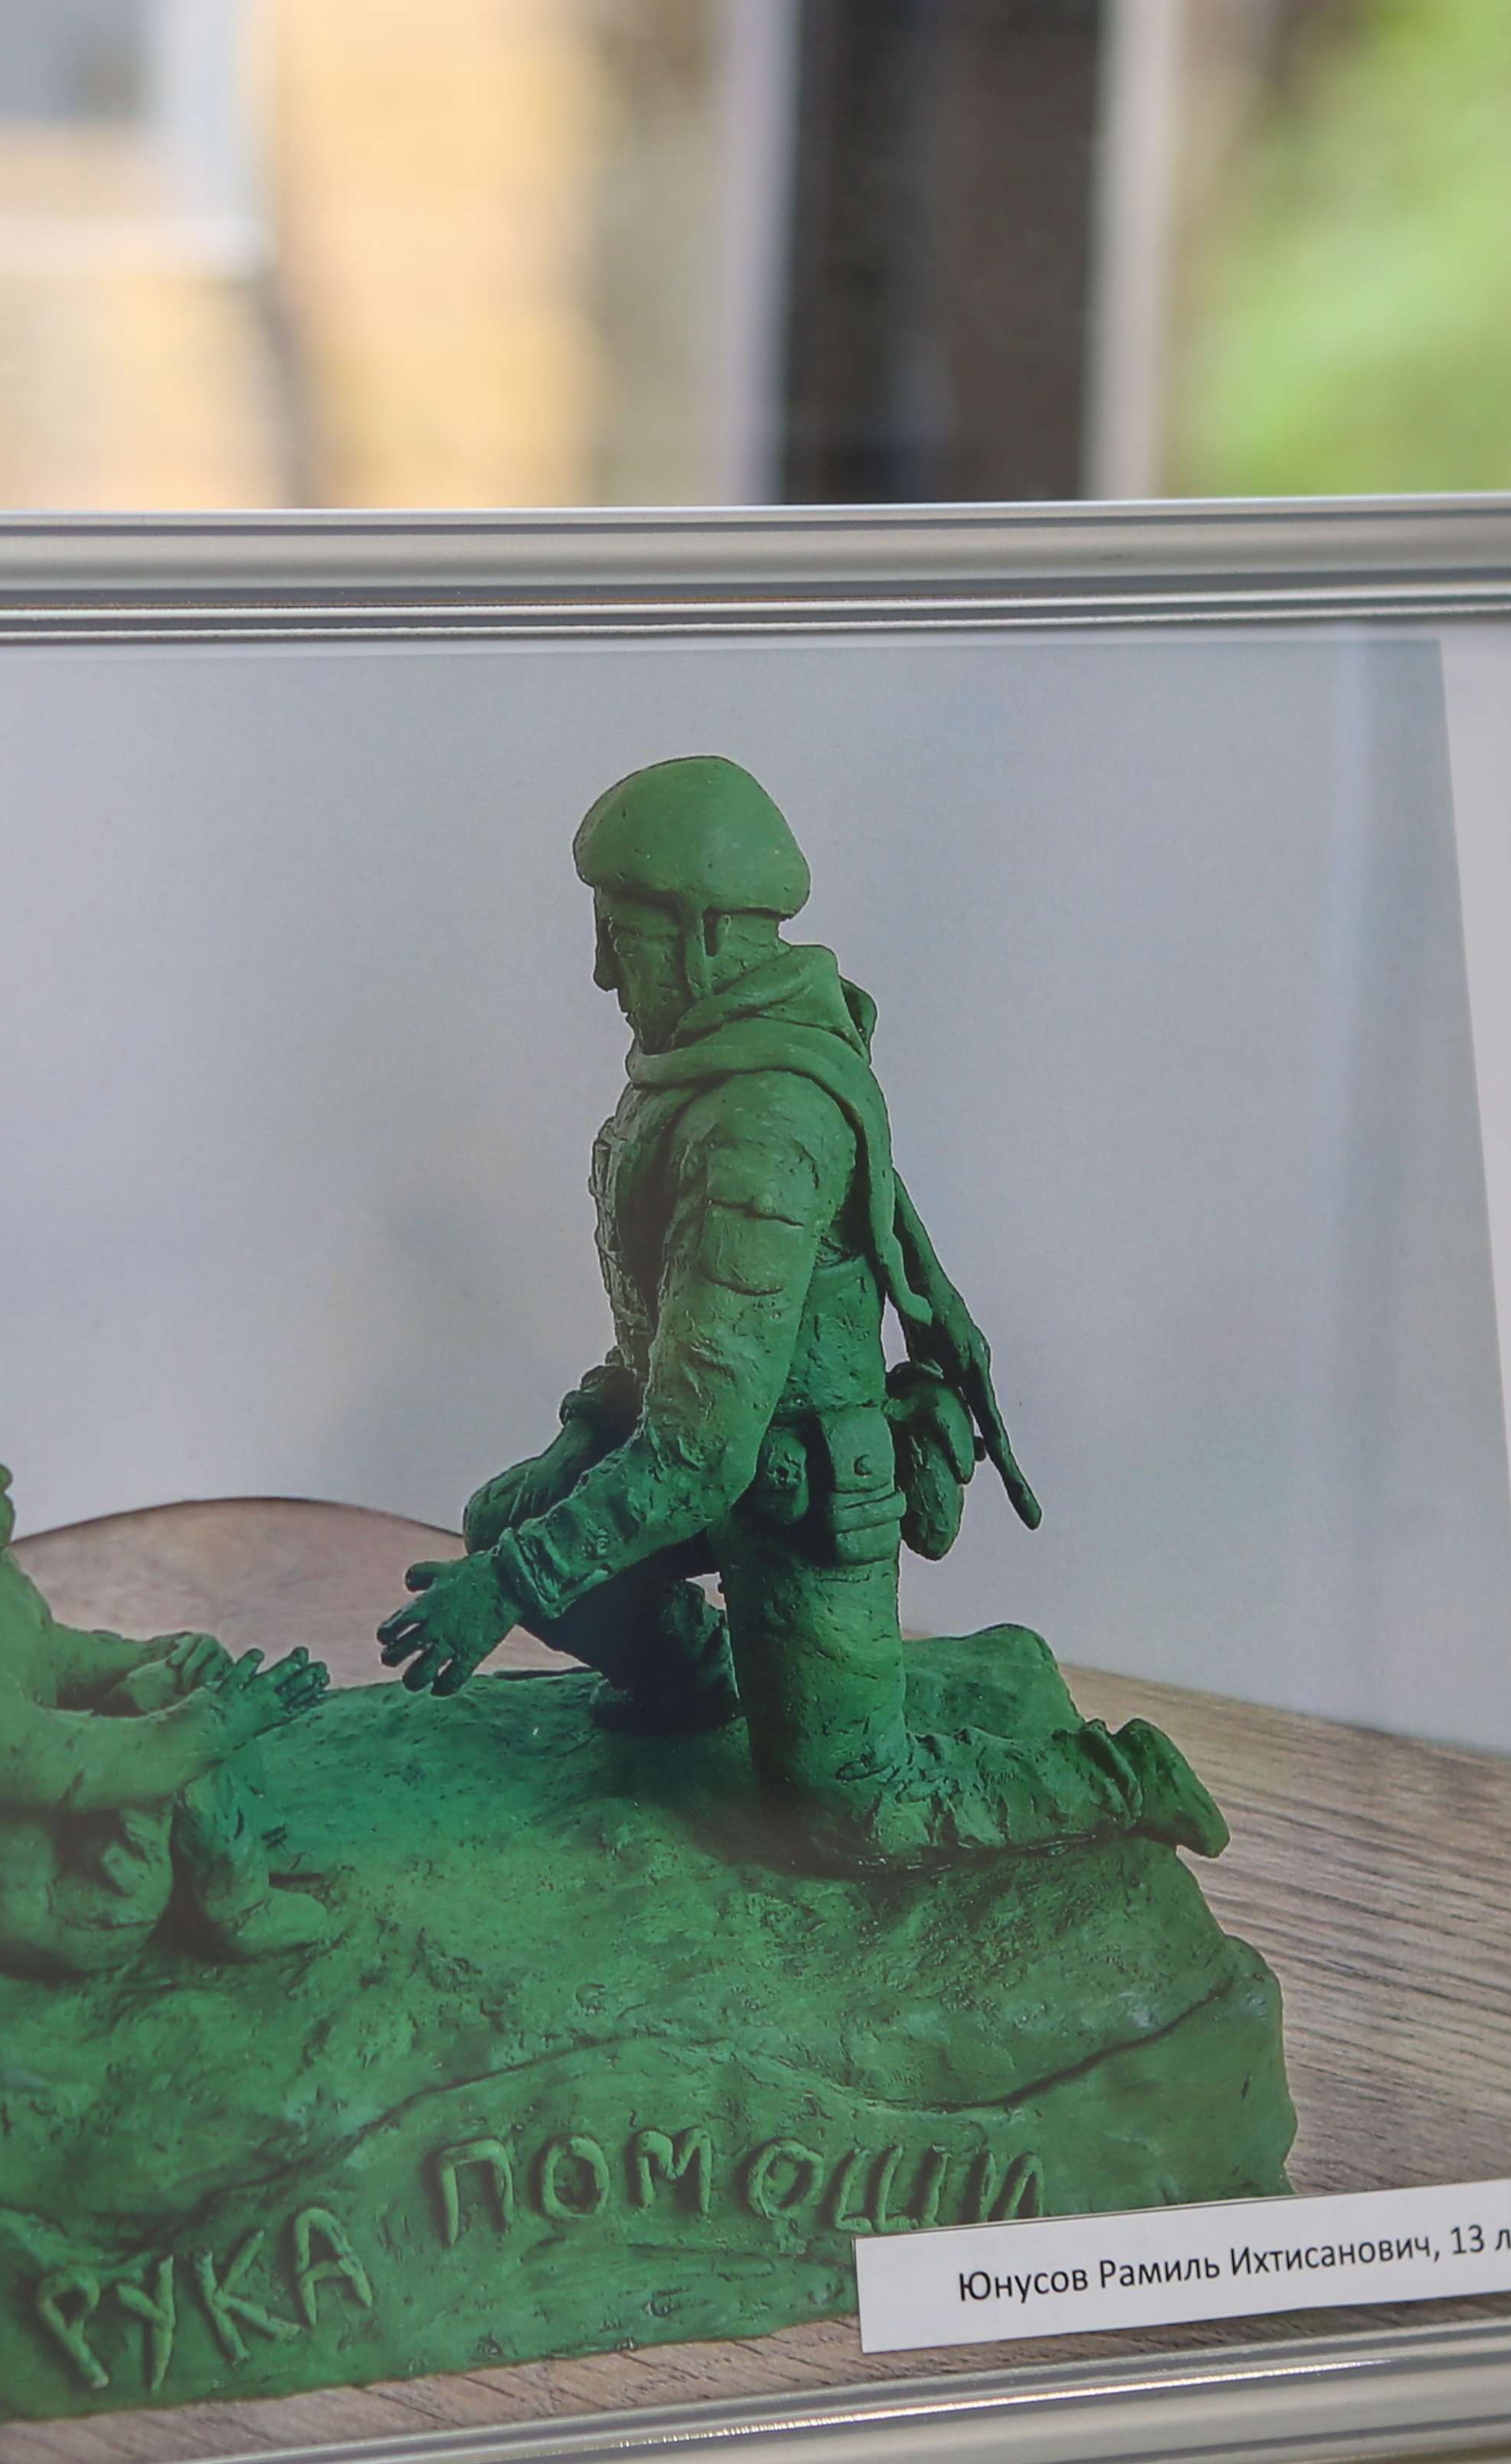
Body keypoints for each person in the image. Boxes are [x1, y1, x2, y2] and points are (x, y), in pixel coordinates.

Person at [376, 755, 1227, 1871]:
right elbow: (666, 1343)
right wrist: (581, 1440)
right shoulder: (692, 1074)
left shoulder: (763, 1128)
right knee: (505, 1514)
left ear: (706, 938)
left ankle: (1117, 1776)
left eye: (622, 939)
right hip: (695, 1452)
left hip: (794, 1497)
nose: (600, 972)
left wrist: (511, 1586)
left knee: (845, 1809)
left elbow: (700, 1455)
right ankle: (696, 1683)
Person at [0, 1391, 328, 1978]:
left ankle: (257, 1838)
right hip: (67, 1906)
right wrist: (217, 1723)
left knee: (193, 1669)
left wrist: (157, 1654)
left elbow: (52, 1656)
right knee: (187, 1728)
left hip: (65, 1828)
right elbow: (75, 1767)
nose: (2, 1475)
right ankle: (239, 1907)